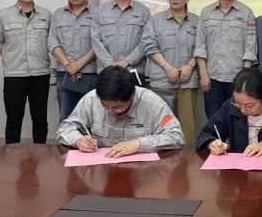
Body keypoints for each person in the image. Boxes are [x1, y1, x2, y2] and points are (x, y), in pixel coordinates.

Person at [57, 66, 185, 155]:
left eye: (117, 107)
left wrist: (139, 144)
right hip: (103, 166)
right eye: (105, 105)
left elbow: (176, 136)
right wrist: (78, 140)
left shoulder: (152, 104)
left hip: (141, 171)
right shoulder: (92, 99)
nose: (110, 111)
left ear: (132, 95)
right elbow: (66, 128)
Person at [0, 0, 52, 144]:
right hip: (14, 75)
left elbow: (52, 41)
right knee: (13, 120)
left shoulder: (46, 15)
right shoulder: (3, 15)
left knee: (40, 120)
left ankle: (39, 153)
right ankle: (12, 154)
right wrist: (10, 57)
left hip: (40, 74)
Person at [141, 0, 199, 145]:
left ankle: (186, 159)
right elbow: (149, 46)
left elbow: (203, 47)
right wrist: (167, 67)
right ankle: (163, 159)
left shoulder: (197, 21)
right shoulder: (155, 20)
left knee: (187, 127)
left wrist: (190, 66)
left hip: (188, 81)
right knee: (161, 125)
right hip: (162, 81)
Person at [194, 0, 257, 117]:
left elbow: (250, 48)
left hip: (236, 79)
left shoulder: (246, 13)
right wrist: (203, 75)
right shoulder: (206, 13)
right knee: (214, 120)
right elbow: (200, 46)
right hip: (212, 79)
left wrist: (242, 80)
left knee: (237, 120)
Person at [48, 0, 97, 120]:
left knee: (91, 118)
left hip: (90, 73)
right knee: (66, 117)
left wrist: (78, 64)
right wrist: (69, 65)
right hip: (65, 73)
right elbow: (52, 41)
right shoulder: (58, 14)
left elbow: (99, 43)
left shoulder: (98, 14)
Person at [91, 0, 151, 81]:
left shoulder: (143, 11)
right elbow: (96, 41)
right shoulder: (100, 11)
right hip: (106, 71)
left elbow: (146, 41)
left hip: (133, 71)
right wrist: (110, 64)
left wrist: (126, 61)